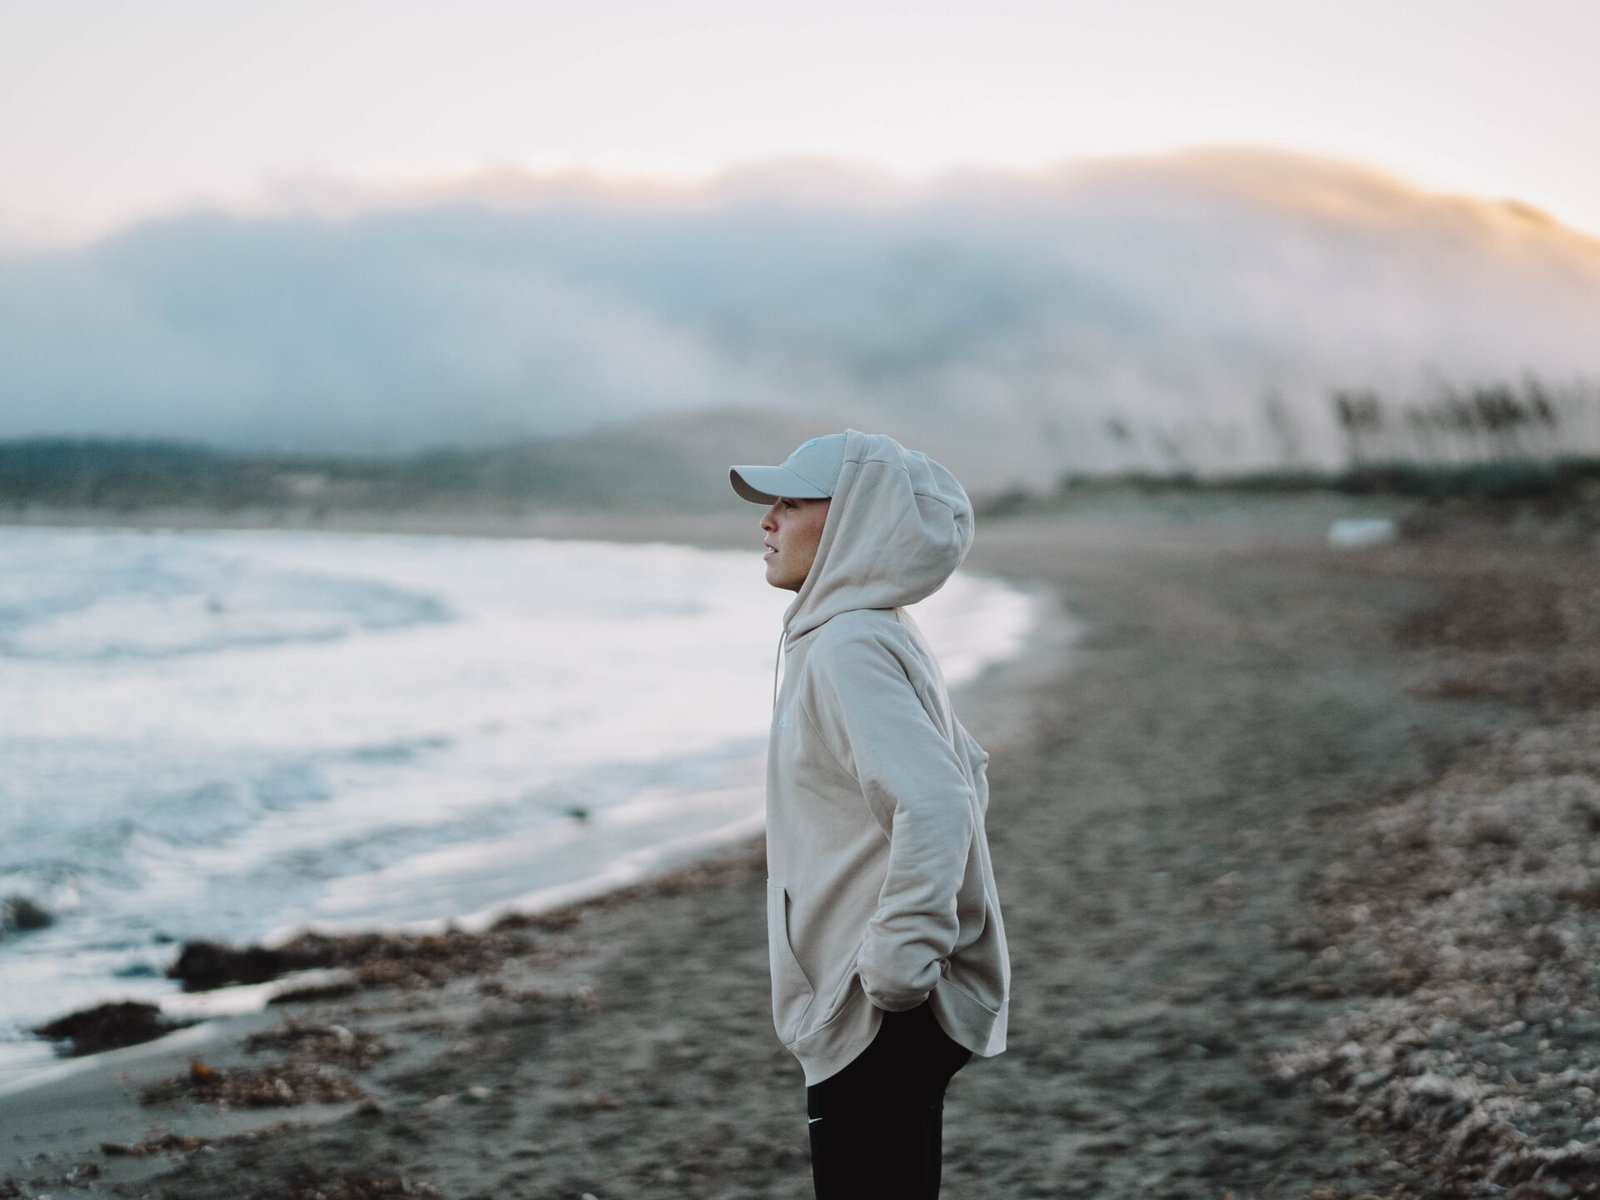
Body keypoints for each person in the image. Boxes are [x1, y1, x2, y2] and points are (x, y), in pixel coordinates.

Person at [730, 430, 1010, 1200]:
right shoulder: (869, 631)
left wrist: (895, 964)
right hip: (872, 1004)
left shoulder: (848, 646)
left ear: (856, 519)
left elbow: (938, 799)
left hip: (873, 1011)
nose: (767, 521)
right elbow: (964, 773)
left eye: (791, 503)